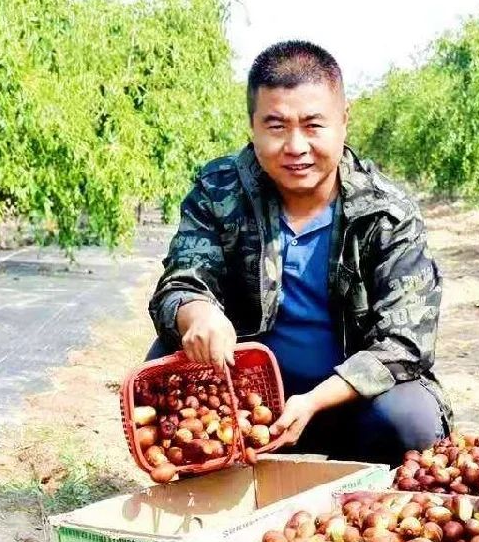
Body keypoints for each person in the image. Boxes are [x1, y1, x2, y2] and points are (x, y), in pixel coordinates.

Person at [146, 40, 450, 466]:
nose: (295, 146)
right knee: (166, 356)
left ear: (344, 121)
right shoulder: (220, 192)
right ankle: (217, 485)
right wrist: (197, 313)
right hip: (244, 402)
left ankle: (362, 491)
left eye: (313, 125)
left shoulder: (385, 214)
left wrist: (313, 402)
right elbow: (182, 278)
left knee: (408, 419)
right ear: (252, 126)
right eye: (276, 126)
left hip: (347, 405)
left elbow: (404, 344)